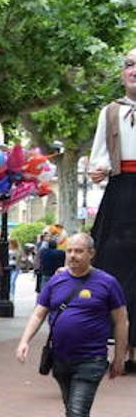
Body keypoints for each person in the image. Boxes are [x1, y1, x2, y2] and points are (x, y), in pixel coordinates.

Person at [16, 233, 128, 417]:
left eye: (79, 251)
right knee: (71, 410)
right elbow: (39, 313)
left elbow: (121, 320)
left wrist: (119, 356)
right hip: (60, 358)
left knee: (78, 410)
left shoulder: (107, 283)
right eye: (70, 251)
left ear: (91, 254)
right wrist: (24, 341)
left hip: (91, 359)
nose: (73, 256)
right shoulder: (56, 282)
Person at [89, 46, 136, 374]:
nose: (135, 70)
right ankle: (116, 347)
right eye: (130, 64)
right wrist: (99, 169)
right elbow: (98, 155)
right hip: (121, 194)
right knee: (111, 266)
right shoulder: (110, 112)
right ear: (123, 73)